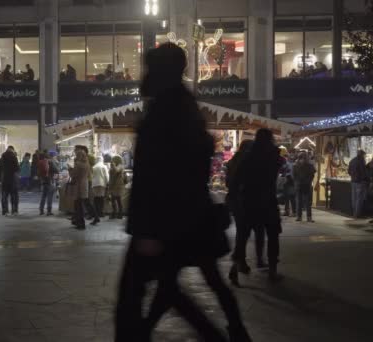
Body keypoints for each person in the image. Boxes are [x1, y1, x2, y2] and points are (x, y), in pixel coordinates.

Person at [115, 43, 251, 342]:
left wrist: (147, 229)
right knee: (167, 290)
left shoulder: (169, 111)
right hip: (177, 220)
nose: (144, 75)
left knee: (145, 294)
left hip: (163, 223)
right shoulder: (180, 106)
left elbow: (158, 173)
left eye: (150, 68)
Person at [236, 128, 283, 282]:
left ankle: (238, 264)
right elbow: (279, 166)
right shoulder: (274, 155)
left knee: (243, 234)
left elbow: (239, 176)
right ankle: (272, 270)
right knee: (273, 235)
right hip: (268, 200)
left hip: (250, 200)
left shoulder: (249, 156)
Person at [226, 140, 266, 287]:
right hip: (248, 203)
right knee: (254, 232)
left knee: (242, 234)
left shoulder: (233, 162)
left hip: (237, 203)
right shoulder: (247, 162)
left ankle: (240, 264)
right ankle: (240, 265)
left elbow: (229, 183)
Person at [0, 146, 20, 215]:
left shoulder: (2, 158)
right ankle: (14, 211)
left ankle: (5, 211)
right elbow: (17, 168)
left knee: (4, 196)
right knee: (14, 196)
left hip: (4, 180)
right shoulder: (14, 157)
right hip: (13, 180)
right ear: (12, 150)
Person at [293, 152, 317, 223]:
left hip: (301, 185)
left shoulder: (296, 165)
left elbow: (294, 176)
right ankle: (306, 217)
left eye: (304, 158)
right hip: (304, 185)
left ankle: (300, 217)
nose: (303, 160)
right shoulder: (309, 165)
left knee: (302, 202)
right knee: (304, 202)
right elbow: (312, 174)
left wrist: (297, 181)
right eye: (302, 158)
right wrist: (308, 181)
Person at [69, 150, 89, 230]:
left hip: (79, 185)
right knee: (80, 205)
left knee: (78, 206)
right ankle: (79, 222)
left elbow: (73, 174)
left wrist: (70, 169)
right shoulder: (87, 164)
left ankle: (80, 223)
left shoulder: (78, 164)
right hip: (85, 184)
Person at [348, 150, 368, 218]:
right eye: (364, 155)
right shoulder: (361, 161)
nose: (364, 157)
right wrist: (365, 179)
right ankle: (357, 214)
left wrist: (353, 176)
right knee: (359, 199)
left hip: (353, 181)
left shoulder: (352, 160)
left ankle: (354, 213)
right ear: (362, 155)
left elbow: (349, 171)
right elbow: (363, 172)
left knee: (354, 198)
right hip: (360, 182)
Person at [91, 156, 109, 225]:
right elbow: (106, 176)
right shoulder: (104, 166)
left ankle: (96, 213)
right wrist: (107, 183)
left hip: (95, 184)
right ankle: (100, 212)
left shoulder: (94, 167)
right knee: (101, 197)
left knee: (96, 198)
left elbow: (92, 176)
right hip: (102, 184)